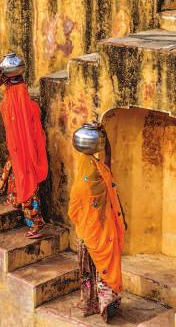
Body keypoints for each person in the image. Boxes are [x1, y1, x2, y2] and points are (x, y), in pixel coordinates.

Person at [0, 70, 48, 238]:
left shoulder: (5, 107)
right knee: (21, 182)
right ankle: (19, 204)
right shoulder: (33, 108)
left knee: (27, 188)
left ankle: (36, 225)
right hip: (31, 155)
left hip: (19, 155)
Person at [68, 127, 127, 323]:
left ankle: (91, 303)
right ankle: (107, 306)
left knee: (89, 272)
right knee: (106, 269)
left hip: (88, 235)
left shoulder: (80, 185)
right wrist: (105, 137)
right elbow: (108, 156)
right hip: (106, 232)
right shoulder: (103, 173)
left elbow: (73, 211)